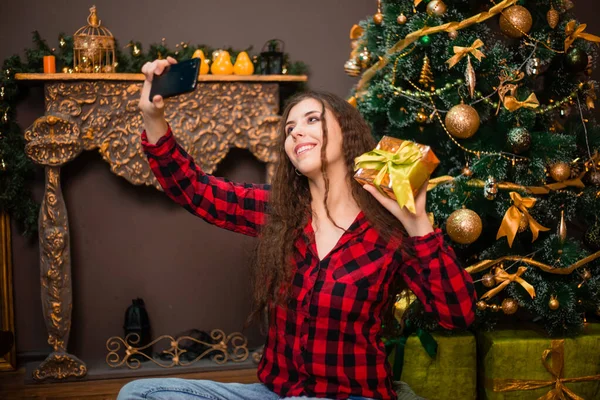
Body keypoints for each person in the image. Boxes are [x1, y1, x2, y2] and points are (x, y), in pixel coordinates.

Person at [117, 57, 476, 400]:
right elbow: (195, 190)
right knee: (138, 393)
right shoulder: (281, 213)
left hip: (350, 396)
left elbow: (456, 314)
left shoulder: (388, 226)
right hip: (275, 393)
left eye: (311, 120)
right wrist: (152, 116)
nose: (296, 133)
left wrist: (417, 223)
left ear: (345, 131)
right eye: (290, 128)